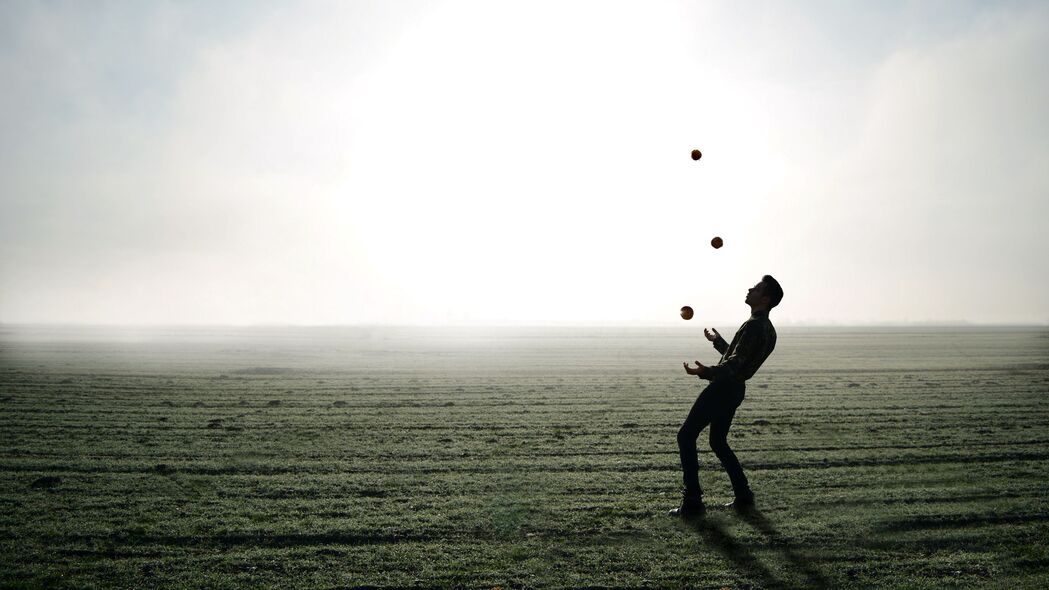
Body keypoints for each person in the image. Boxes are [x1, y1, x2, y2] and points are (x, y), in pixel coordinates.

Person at [670, 275, 783, 518]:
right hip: (735, 390)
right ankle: (743, 496)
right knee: (717, 442)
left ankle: (692, 502)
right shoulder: (767, 329)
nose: (750, 288)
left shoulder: (754, 325)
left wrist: (705, 372)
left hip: (723, 388)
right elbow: (740, 359)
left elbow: (734, 365)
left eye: (757, 288)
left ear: (765, 298)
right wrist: (718, 342)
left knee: (686, 436)